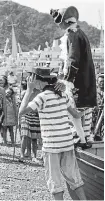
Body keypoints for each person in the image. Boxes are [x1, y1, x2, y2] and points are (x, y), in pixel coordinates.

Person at [19, 67, 86, 200]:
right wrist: (85, 109)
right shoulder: (62, 95)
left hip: (52, 145)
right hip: (67, 142)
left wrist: (28, 91)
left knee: (55, 181)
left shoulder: (42, 97)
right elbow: (76, 115)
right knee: (74, 178)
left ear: (37, 81)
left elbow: (21, 112)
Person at [51, 6, 96, 149]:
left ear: (64, 23)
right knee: (86, 109)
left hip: (78, 81)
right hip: (88, 80)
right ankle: (86, 137)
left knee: (73, 109)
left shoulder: (73, 35)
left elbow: (72, 60)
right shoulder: (81, 33)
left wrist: (67, 80)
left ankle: (80, 137)